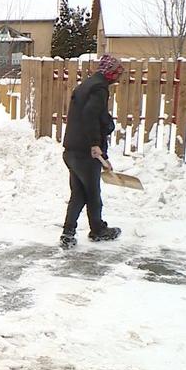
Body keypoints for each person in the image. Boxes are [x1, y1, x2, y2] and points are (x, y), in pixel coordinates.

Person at [59, 54, 124, 249]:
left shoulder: (86, 86)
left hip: (72, 149)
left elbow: (92, 115)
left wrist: (103, 152)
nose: (119, 77)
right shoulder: (99, 88)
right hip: (85, 151)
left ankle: (68, 233)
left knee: (79, 193)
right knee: (93, 193)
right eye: (117, 73)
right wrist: (95, 145)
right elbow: (90, 115)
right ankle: (97, 230)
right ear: (110, 72)